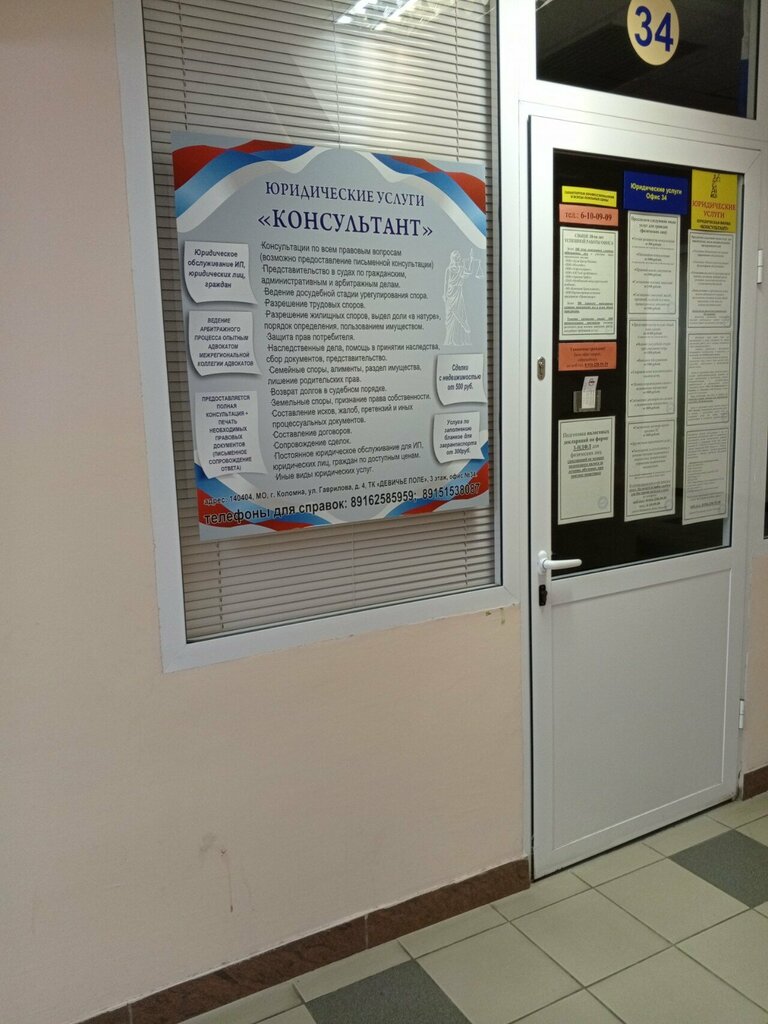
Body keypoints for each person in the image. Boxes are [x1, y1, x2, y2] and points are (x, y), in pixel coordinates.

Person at [443, 249, 471, 346]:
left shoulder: (461, 268)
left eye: (458, 257)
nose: (457, 259)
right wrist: (444, 294)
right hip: (450, 293)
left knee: (459, 311)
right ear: (453, 258)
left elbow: (467, 274)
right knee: (450, 315)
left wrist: (469, 261)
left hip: (458, 293)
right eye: (456, 257)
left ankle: (459, 336)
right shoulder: (449, 269)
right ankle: (450, 339)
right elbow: (446, 282)